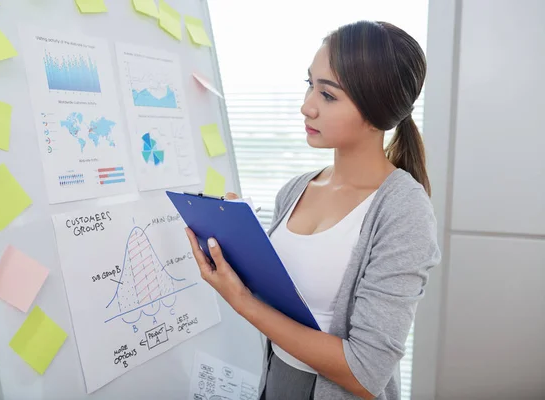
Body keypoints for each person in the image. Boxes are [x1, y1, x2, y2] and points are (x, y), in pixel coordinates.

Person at [185, 20, 441, 400]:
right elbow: (288, 301)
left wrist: (242, 302)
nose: (307, 106)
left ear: (376, 109)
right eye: (310, 85)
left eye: (328, 95)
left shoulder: (403, 211)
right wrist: (243, 245)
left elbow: (366, 372)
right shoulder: (295, 189)